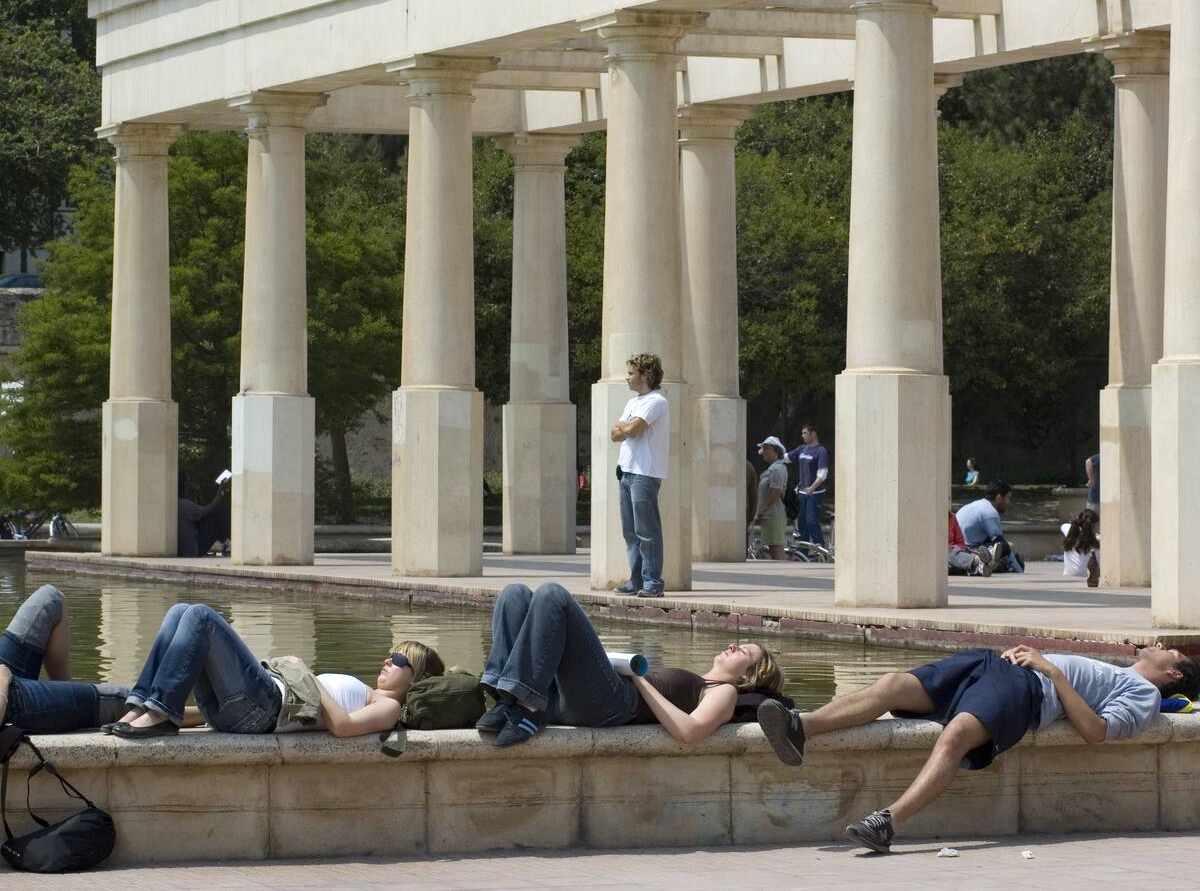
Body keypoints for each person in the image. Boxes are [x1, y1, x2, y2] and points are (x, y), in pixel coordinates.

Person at [758, 643, 1200, 853]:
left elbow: (1097, 732)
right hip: (993, 664)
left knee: (955, 736)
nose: (1160, 644)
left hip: (1027, 690)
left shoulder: (1143, 694)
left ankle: (886, 822)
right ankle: (802, 728)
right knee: (893, 685)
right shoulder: (1121, 671)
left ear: (1175, 675)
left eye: (1171, 651)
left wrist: (1050, 669)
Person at [478, 582, 784, 748]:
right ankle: (511, 702)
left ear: (750, 675)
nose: (733, 646)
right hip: (580, 698)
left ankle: (525, 709)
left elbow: (689, 732)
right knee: (514, 595)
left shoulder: (724, 692)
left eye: (744, 651)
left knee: (553, 595)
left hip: (611, 704)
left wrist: (640, 680)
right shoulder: (702, 681)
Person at [109, 602, 443, 739]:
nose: (388, 661)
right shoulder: (368, 691)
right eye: (389, 655)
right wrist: (189, 715)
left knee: (200, 616)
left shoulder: (389, 706)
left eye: (399, 660)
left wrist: (306, 673)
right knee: (180, 610)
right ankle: (147, 705)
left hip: (266, 709)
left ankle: (159, 710)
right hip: (237, 711)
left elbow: (342, 727)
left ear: (416, 678)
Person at [0, 583, 131, 733]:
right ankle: (67, 705)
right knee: (132, 699)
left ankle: (64, 696)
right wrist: (3, 679)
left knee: (51, 598)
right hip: (7, 702)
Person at [611, 353, 670, 599]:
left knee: (647, 532)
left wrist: (626, 427)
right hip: (626, 471)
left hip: (644, 473)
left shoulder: (656, 401)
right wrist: (626, 428)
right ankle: (636, 581)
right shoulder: (633, 402)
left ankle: (652, 582)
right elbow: (615, 433)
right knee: (630, 532)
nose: (627, 377)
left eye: (631, 373)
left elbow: (632, 430)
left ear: (646, 375)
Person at [954, 480, 1021, 573]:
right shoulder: (990, 512)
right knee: (1009, 548)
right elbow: (1000, 544)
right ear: (999, 498)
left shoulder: (976, 505)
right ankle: (986, 564)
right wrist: (1018, 568)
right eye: (1008, 498)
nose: (1008, 503)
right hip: (969, 549)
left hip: (957, 549)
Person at [784, 423, 829, 547]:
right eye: (802, 433)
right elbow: (786, 457)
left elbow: (823, 474)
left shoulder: (821, 451)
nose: (802, 436)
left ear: (813, 434)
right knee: (802, 523)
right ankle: (802, 553)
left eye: (805, 433)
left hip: (815, 494)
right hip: (802, 494)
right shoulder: (801, 449)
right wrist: (770, 450)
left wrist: (812, 487)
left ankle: (821, 552)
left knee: (812, 522)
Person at [752, 436, 790, 560]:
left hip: (774, 514)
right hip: (769, 515)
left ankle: (783, 574)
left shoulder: (777, 469)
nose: (764, 452)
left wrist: (763, 509)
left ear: (776, 451)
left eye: (767, 448)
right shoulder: (773, 468)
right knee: (773, 545)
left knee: (776, 546)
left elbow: (777, 491)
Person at [177, 470, 231, 557]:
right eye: (188, 482)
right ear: (184, 485)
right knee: (219, 512)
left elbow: (202, 509)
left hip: (182, 551)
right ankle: (227, 541)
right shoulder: (183, 504)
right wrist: (222, 491)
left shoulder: (176, 504)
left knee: (209, 516)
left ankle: (224, 540)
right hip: (192, 550)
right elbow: (209, 509)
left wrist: (198, 491)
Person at [1061, 508, 1100, 586]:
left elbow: (1063, 525)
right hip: (1084, 576)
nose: (1099, 528)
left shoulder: (1070, 534)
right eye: (1098, 525)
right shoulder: (1094, 546)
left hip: (1067, 575)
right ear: (1093, 526)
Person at [947, 511, 991, 577]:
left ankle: (981, 567)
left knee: (957, 558)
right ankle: (978, 561)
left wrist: (955, 549)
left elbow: (960, 542)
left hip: (956, 552)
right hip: (943, 554)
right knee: (945, 551)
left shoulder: (952, 517)